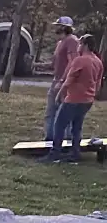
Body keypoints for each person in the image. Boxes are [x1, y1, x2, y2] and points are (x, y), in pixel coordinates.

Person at [47, 34, 104, 163]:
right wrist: (91, 94)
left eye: (80, 44)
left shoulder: (80, 60)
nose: (78, 46)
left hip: (73, 99)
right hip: (87, 100)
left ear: (86, 45)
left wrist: (59, 94)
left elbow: (69, 80)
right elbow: (98, 83)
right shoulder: (98, 62)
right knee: (76, 127)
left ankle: (55, 154)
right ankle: (75, 154)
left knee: (59, 125)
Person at [45, 17, 80, 145]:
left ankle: (67, 142)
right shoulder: (60, 42)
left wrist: (62, 81)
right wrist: (36, 65)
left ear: (65, 27)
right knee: (51, 112)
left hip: (64, 82)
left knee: (65, 112)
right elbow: (55, 63)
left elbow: (73, 62)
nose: (56, 28)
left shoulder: (72, 40)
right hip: (56, 80)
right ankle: (50, 140)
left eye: (58, 26)